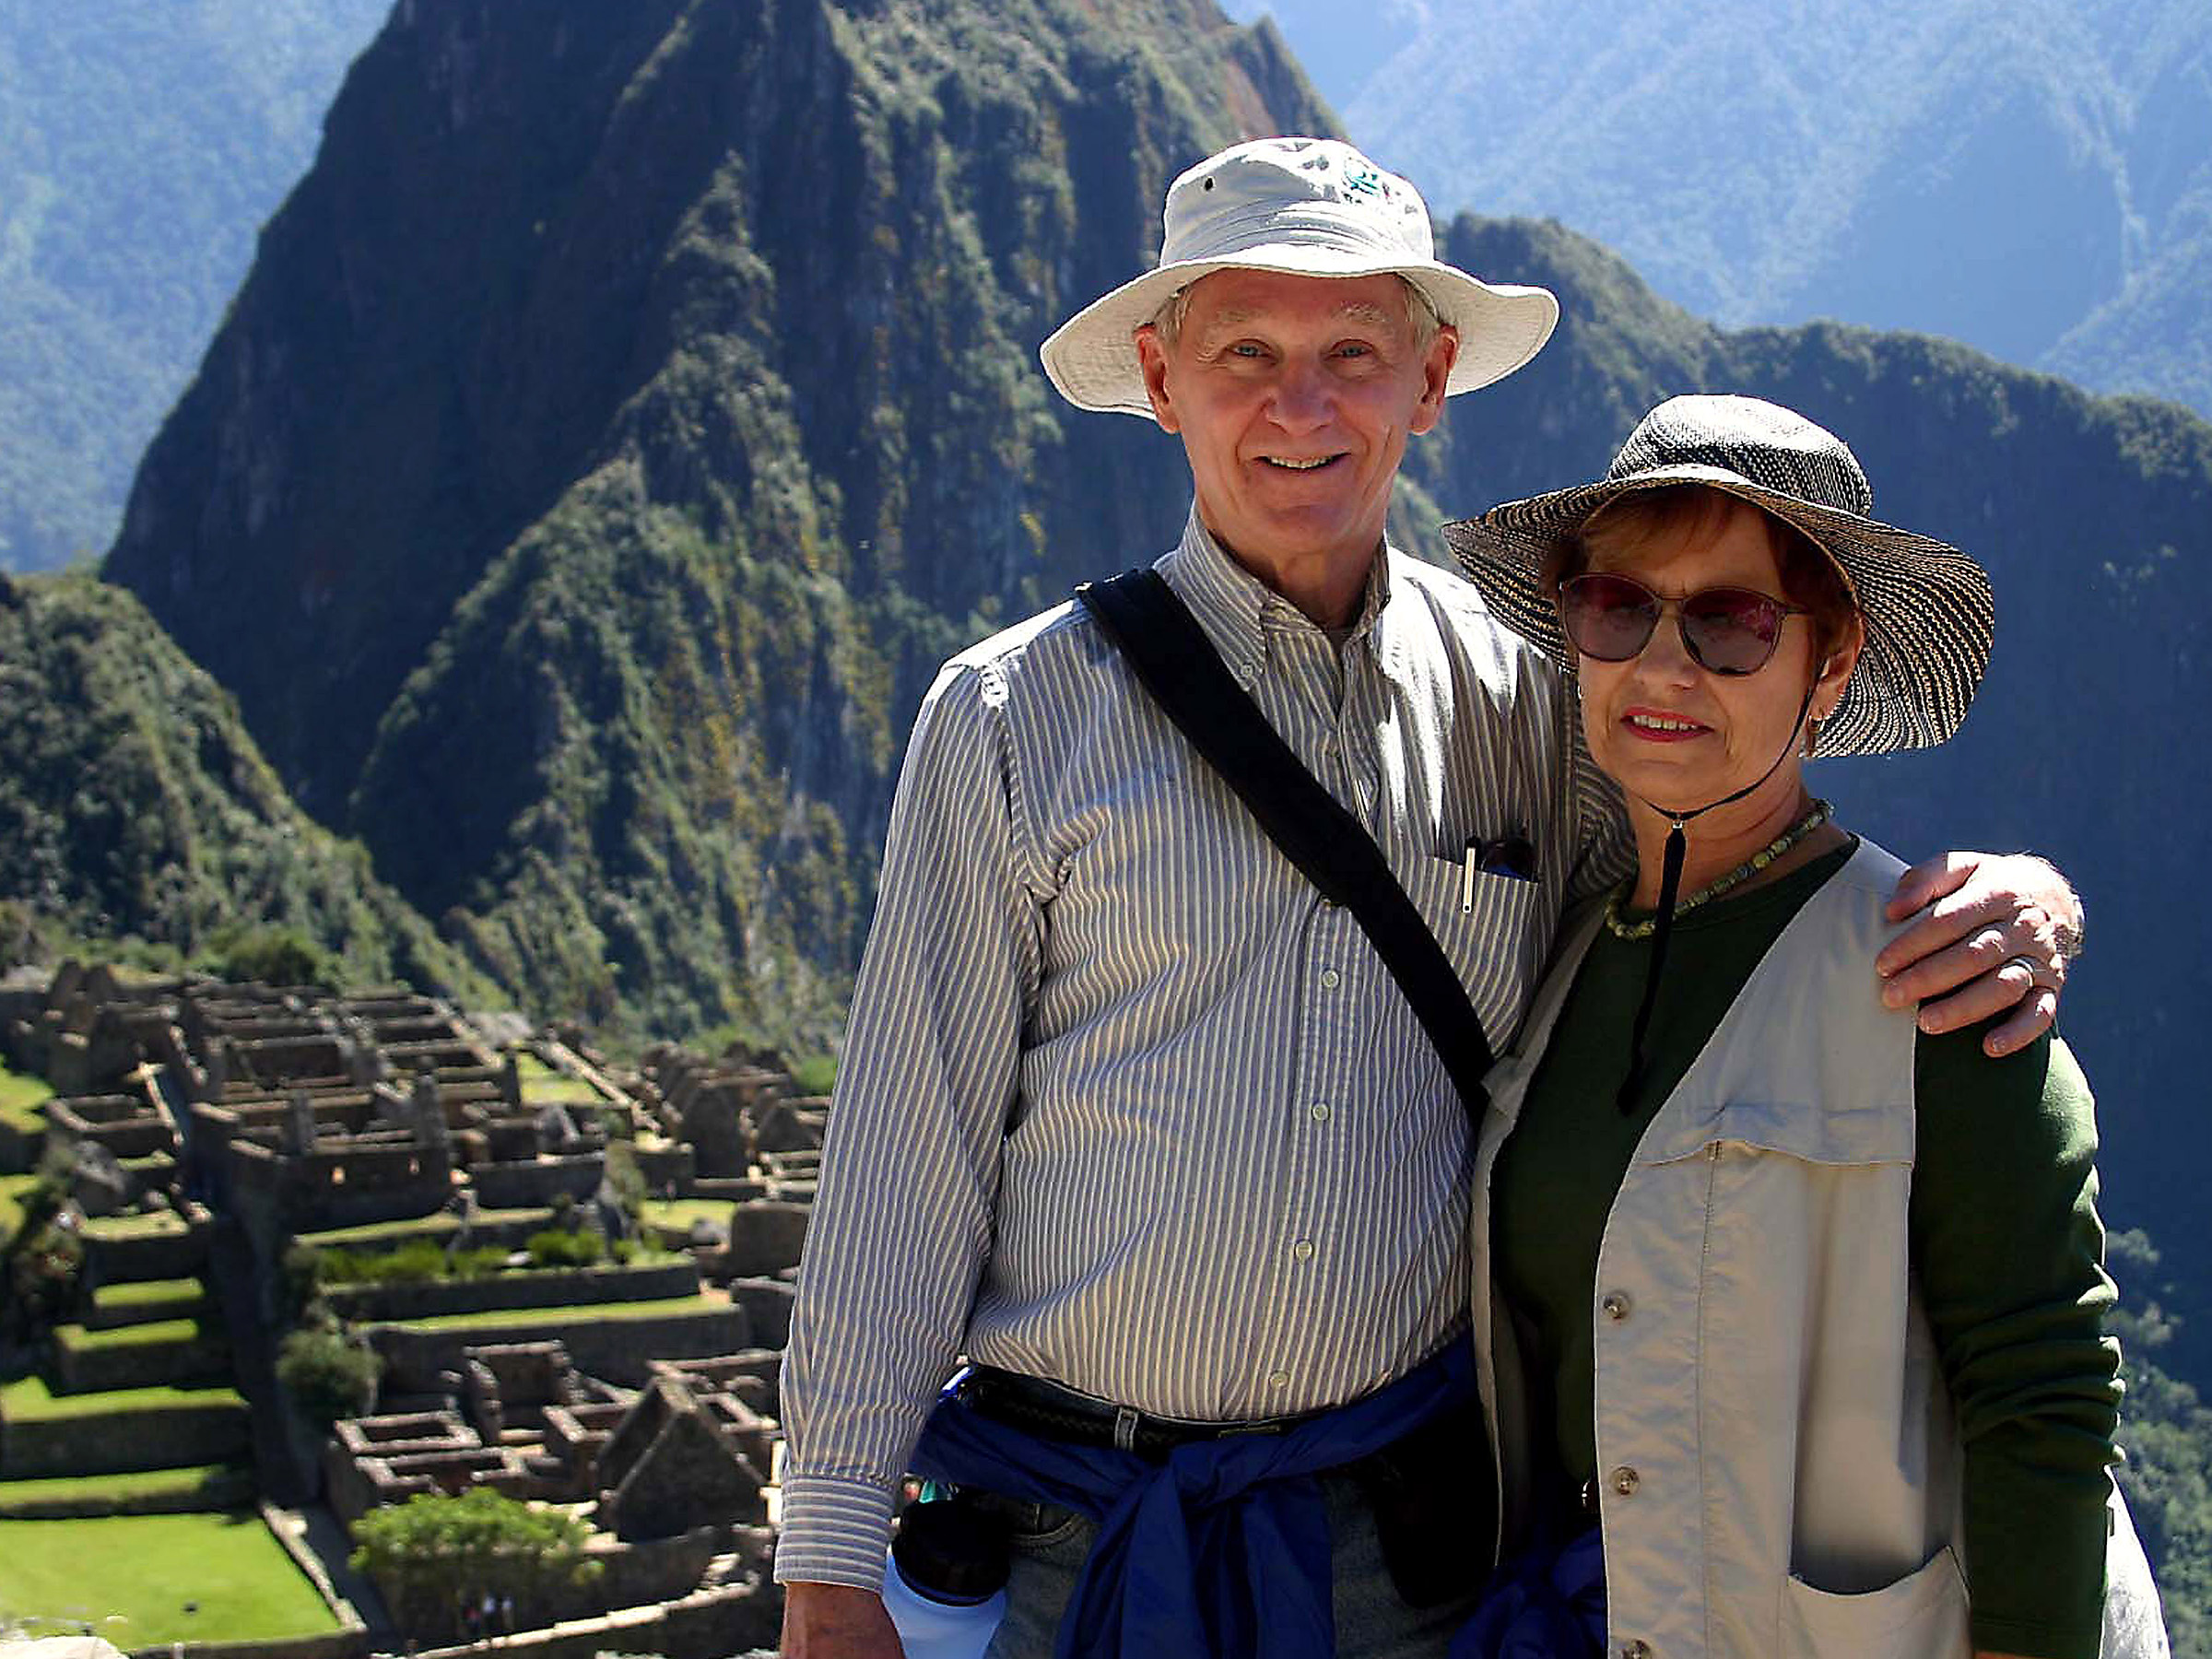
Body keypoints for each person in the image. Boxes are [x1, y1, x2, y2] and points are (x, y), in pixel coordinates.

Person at [776, 138, 2084, 1659]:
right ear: (1159, 374)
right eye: (1245, 352)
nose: (1301, 405)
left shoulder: (1535, 696)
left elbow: (1731, 879)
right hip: (1071, 1533)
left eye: (1354, 352)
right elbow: (903, 1151)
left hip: (1400, 1552)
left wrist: (2025, 891)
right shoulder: (1013, 720)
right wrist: (827, 1558)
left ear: (1433, 377)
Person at [1443, 394, 2165, 1658]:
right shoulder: (1558, 938)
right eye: (1618, 609)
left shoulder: (1936, 982)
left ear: (1828, 664)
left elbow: (2042, 1398)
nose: (1662, 667)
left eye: (1730, 624)